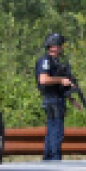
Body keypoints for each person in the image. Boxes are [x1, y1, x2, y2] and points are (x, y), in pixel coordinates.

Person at [35, 32, 75, 161]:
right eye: (59, 45)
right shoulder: (46, 60)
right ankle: (54, 158)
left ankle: (48, 158)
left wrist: (70, 97)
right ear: (52, 46)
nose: (61, 47)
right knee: (56, 131)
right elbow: (43, 79)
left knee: (52, 129)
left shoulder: (54, 61)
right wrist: (61, 80)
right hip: (52, 98)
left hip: (56, 97)